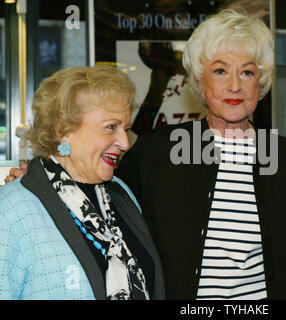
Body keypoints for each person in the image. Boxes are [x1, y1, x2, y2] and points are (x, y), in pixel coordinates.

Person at [6, 9, 286, 300]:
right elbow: (89, 182)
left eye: (248, 72)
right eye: (220, 70)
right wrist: (38, 180)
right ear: (200, 80)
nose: (235, 85)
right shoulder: (159, 150)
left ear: (261, 81)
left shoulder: (283, 156)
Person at [0, 65, 165, 299]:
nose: (125, 143)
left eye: (125, 129)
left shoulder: (121, 193)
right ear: (62, 131)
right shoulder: (12, 209)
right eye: (111, 127)